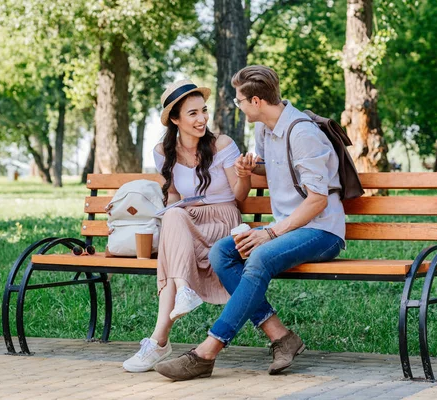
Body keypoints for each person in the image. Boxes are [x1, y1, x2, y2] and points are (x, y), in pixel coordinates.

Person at [154, 65, 346, 381]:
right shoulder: (264, 130)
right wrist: (248, 169)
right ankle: (281, 337)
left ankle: (206, 352)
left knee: (257, 256)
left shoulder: (303, 134)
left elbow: (318, 200)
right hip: (289, 228)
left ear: (256, 101)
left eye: (240, 100)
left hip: (321, 230)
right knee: (221, 254)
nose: (237, 106)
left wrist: (269, 232)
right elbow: (277, 169)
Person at [122, 79, 256, 373]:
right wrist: (171, 218)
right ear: (175, 119)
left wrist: (244, 175)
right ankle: (182, 294)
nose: (202, 119)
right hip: (186, 221)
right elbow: (173, 197)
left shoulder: (222, 144)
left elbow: (239, 197)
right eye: (192, 113)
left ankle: (159, 342)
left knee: (172, 244)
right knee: (172, 215)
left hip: (221, 219)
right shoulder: (162, 151)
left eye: (203, 111)